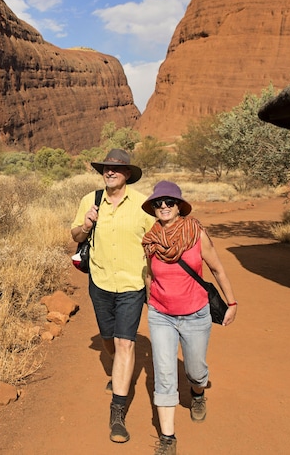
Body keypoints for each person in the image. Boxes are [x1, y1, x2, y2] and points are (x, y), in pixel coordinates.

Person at [140, 180, 238, 455]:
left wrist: (231, 303)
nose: (163, 207)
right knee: (165, 374)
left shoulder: (196, 234)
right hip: (162, 316)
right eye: (158, 203)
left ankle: (197, 393)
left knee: (195, 372)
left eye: (169, 202)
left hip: (196, 315)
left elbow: (217, 269)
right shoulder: (151, 240)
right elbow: (150, 274)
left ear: (179, 205)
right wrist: (152, 300)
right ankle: (168, 439)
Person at [70, 148, 155, 444]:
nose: (109, 172)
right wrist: (86, 225)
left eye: (116, 169)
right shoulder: (90, 201)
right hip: (101, 282)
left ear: (127, 174)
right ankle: (119, 369)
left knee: (125, 343)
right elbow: (75, 237)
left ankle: (117, 412)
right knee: (109, 340)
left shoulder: (144, 205)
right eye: (106, 168)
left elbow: (158, 241)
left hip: (132, 285)